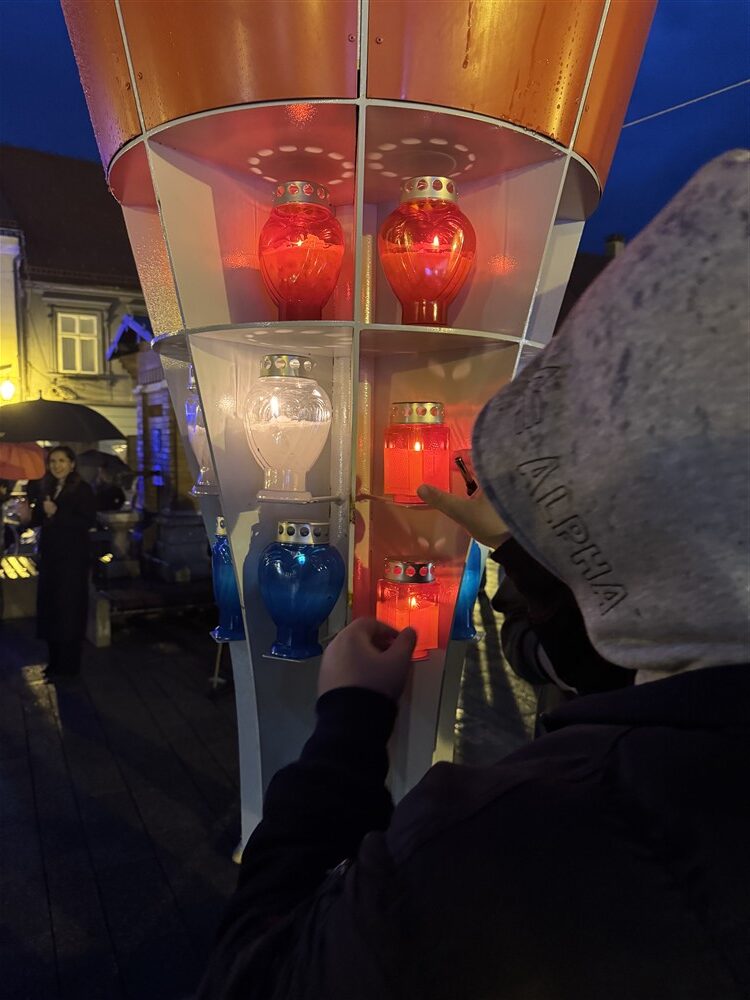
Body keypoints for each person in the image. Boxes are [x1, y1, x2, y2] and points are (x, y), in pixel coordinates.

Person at [198, 151, 750, 999]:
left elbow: (259, 975)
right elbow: (655, 677)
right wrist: (528, 555)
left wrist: (348, 725)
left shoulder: (498, 850)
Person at [31, 446, 96, 678]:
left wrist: (56, 513)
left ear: (72, 464)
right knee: (51, 609)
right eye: (52, 461)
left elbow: (86, 521)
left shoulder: (82, 489)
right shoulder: (47, 487)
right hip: (50, 558)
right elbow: (41, 518)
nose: (56, 466)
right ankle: (54, 661)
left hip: (71, 561)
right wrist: (32, 514)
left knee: (68, 610)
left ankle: (69, 666)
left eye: (61, 461)